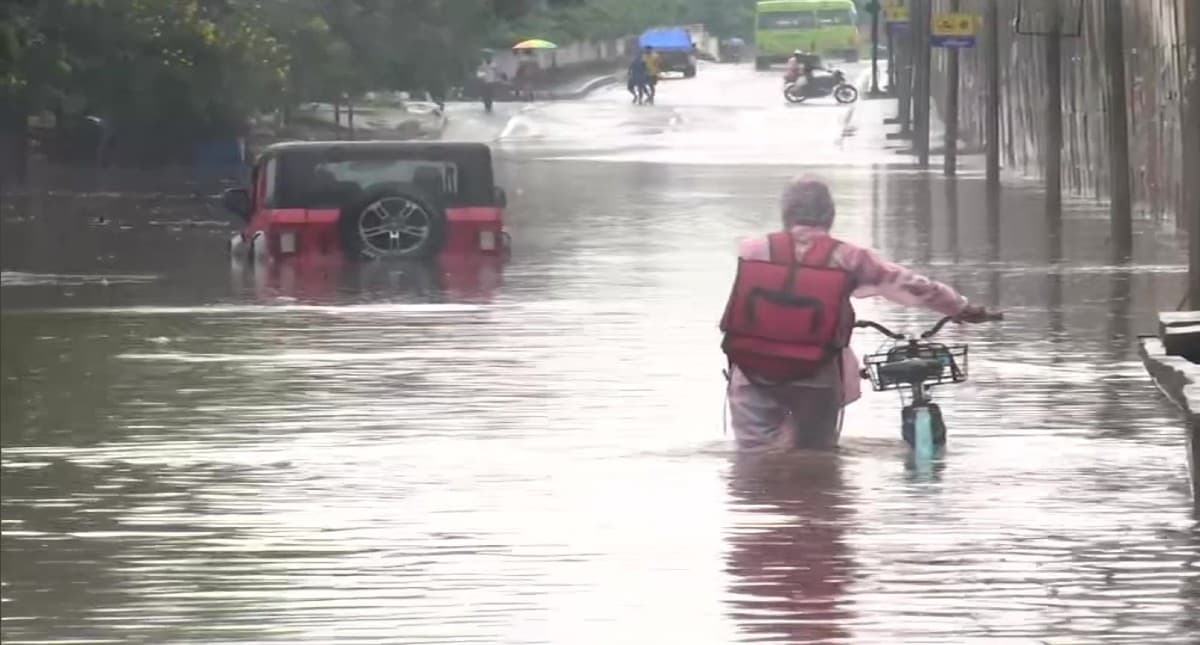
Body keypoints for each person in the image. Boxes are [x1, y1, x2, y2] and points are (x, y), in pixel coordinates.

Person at [719, 176, 997, 452]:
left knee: (753, 457)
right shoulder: (848, 257)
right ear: (829, 214)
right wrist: (960, 307)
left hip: (752, 372)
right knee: (816, 457)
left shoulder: (753, 250)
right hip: (815, 373)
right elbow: (910, 285)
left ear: (786, 213)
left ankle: (754, 495)